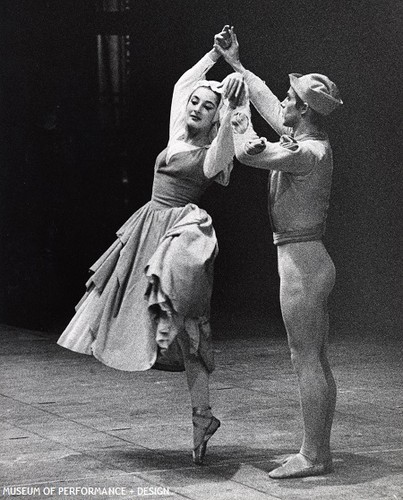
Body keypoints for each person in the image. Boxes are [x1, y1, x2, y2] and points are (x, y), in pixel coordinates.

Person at [58, 30, 245, 466]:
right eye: (195, 103)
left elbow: (228, 135)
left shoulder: (213, 153)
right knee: (123, 304)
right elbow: (184, 85)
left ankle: (202, 416)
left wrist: (235, 99)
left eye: (206, 105)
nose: (196, 107)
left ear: (217, 117)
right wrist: (215, 56)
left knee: (189, 329)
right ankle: (203, 417)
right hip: (148, 227)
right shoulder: (178, 134)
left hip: (180, 235)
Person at [214, 27, 343, 478]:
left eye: (291, 98)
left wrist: (233, 106)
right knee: (311, 356)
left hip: (303, 261)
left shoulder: (307, 152)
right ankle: (317, 450)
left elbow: (251, 152)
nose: (284, 103)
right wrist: (237, 66)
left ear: (304, 109)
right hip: (304, 257)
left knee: (305, 357)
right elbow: (270, 105)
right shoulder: (304, 139)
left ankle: (314, 455)